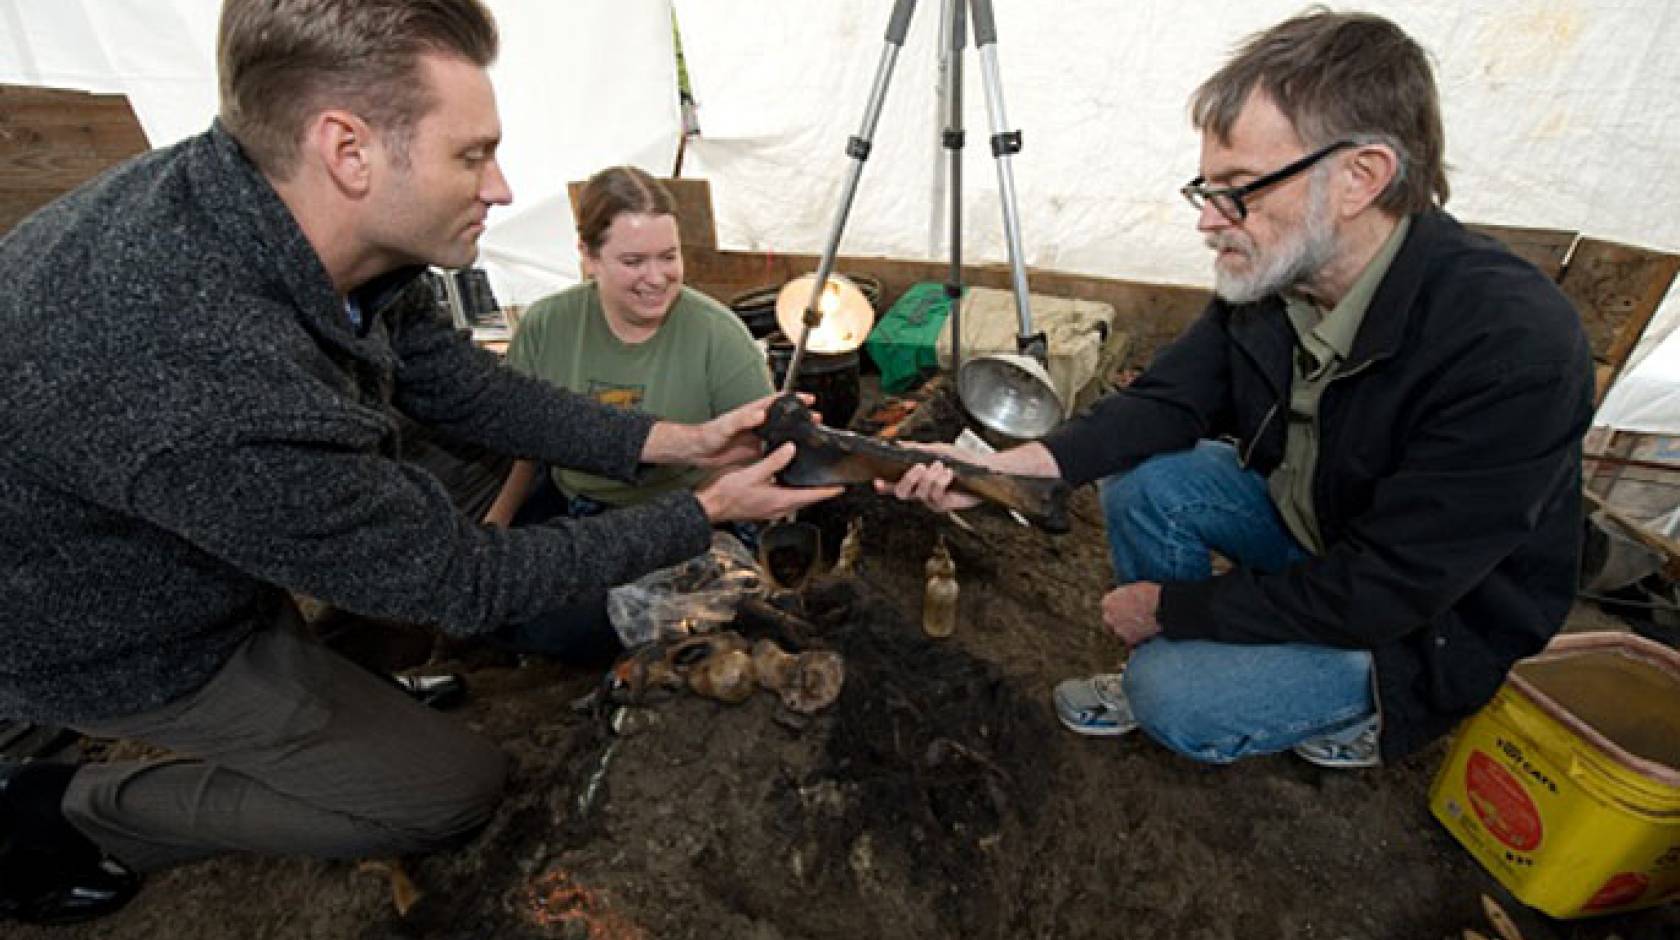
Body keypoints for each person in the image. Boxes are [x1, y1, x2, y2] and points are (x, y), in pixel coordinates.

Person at [0, 0, 838, 925]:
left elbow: (463, 390)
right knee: (446, 792)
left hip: (184, 512)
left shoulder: (279, 211)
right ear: (348, 150)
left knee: (386, 551)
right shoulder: (209, 370)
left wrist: (679, 442)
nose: (503, 187)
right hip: (106, 628)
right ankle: (67, 813)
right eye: (471, 155)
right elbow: (459, 583)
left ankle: (349, 698)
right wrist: (704, 510)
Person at [887, 11, 1592, 772]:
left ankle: (1373, 707)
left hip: (1426, 618)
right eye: (1207, 188)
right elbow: (1165, 401)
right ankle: (1225, 647)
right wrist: (1020, 467)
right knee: (1147, 483)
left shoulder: (1513, 350)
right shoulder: (1280, 278)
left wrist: (1172, 610)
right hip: (1321, 522)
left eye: (1240, 190)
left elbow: (1388, 589)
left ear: (1361, 177)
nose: (1209, 222)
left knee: (1171, 698)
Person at [477, 167, 774, 659]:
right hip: (579, 511)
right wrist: (495, 526)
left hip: (687, 519)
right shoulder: (548, 325)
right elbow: (522, 443)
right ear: (588, 256)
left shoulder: (719, 336)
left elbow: (746, 461)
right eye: (634, 261)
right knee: (499, 596)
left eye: (669, 257)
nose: (657, 278)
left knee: (581, 626)